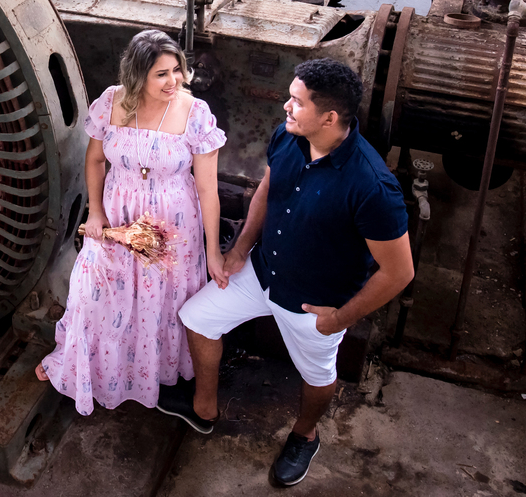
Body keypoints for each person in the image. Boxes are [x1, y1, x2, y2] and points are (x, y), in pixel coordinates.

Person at [160, 58, 414, 487]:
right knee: (197, 318)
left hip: (313, 302)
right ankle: (204, 408)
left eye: (296, 102)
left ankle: (304, 435)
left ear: (329, 117)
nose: (285, 107)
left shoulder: (372, 187)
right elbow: (266, 189)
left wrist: (337, 319)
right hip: (261, 273)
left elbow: (399, 272)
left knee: (317, 375)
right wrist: (240, 249)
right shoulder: (288, 137)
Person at [37, 29, 227, 415]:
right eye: (161, 74)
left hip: (172, 226)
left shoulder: (195, 114)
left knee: (160, 301)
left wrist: (212, 251)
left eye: (177, 70)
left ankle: (150, 373)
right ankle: (79, 361)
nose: (173, 81)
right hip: (117, 218)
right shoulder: (111, 102)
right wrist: (95, 211)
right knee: (94, 294)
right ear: (137, 76)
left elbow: (208, 189)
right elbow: (94, 160)